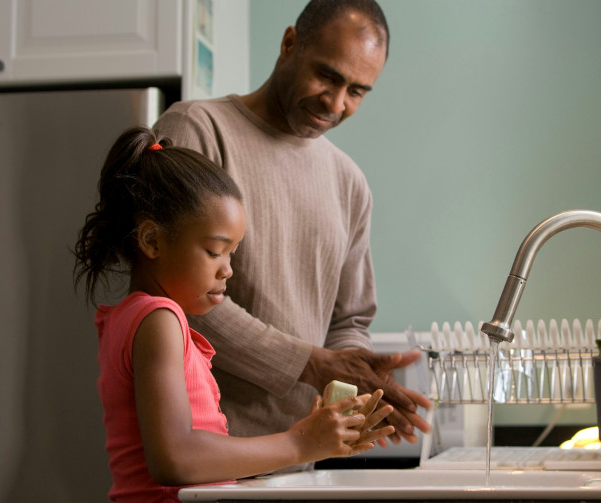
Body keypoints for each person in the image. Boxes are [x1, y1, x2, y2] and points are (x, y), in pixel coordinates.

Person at [153, 0, 431, 448]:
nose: (336, 103)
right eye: (328, 76)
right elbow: (174, 293)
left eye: (357, 91)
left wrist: (354, 371)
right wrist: (312, 364)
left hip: (299, 456)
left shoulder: (350, 183)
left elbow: (350, 317)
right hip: (204, 452)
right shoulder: (197, 130)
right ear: (289, 44)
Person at [73, 126, 394, 503]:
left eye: (232, 254)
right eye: (214, 251)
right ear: (152, 240)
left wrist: (313, 438)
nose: (228, 270)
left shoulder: (135, 317)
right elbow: (175, 458)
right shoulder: (159, 319)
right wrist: (299, 443)